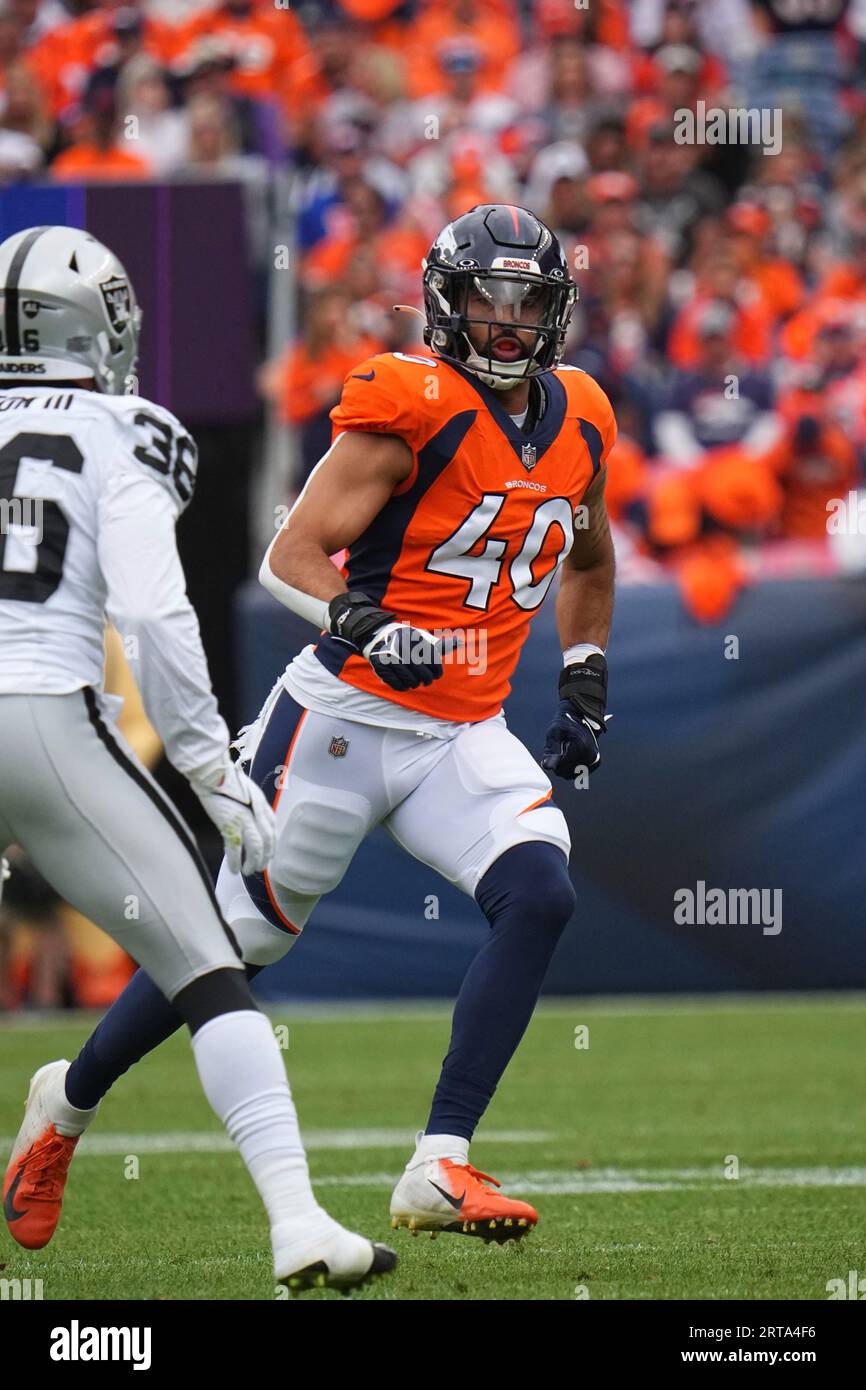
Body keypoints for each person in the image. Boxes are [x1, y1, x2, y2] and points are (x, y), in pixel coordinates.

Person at [24, 204, 617, 1245]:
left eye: (529, 301)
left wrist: (581, 678)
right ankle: (64, 1105)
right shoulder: (411, 403)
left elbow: (588, 553)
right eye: (488, 297)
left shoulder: (579, 416)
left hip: (459, 730)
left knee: (539, 890)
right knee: (229, 945)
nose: (509, 320)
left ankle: (441, 1162)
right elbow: (288, 555)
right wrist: (366, 622)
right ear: (446, 304)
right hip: (341, 717)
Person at [0, 225, 394, 1293]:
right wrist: (213, 768)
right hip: (36, 714)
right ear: (98, 324)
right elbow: (154, 613)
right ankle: (297, 1222)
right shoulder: (124, 429)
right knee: (210, 973)